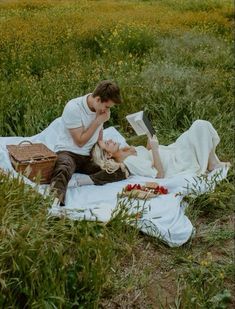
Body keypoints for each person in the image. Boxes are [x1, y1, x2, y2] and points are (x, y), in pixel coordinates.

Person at [74, 119, 230, 187]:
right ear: (108, 155)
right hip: (175, 162)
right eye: (106, 144)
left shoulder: (126, 150)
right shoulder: (129, 163)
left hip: (170, 150)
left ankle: (211, 162)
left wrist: (149, 138)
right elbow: (159, 174)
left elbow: (147, 154)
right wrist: (155, 149)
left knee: (199, 128)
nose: (110, 140)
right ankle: (211, 164)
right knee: (199, 127)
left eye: (107, 140)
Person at [50, 80, 124, 206]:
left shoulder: (101, 109)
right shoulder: (74, 108)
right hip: (69, 152)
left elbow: (99, 136)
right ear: (98, 99)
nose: (107, 110)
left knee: (120, 169)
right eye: (107, 107)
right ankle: (55, 205)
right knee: (62, 168)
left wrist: (103, 152)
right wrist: (97, 120)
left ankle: (84, 181)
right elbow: (79, 142)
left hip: (89, 155)